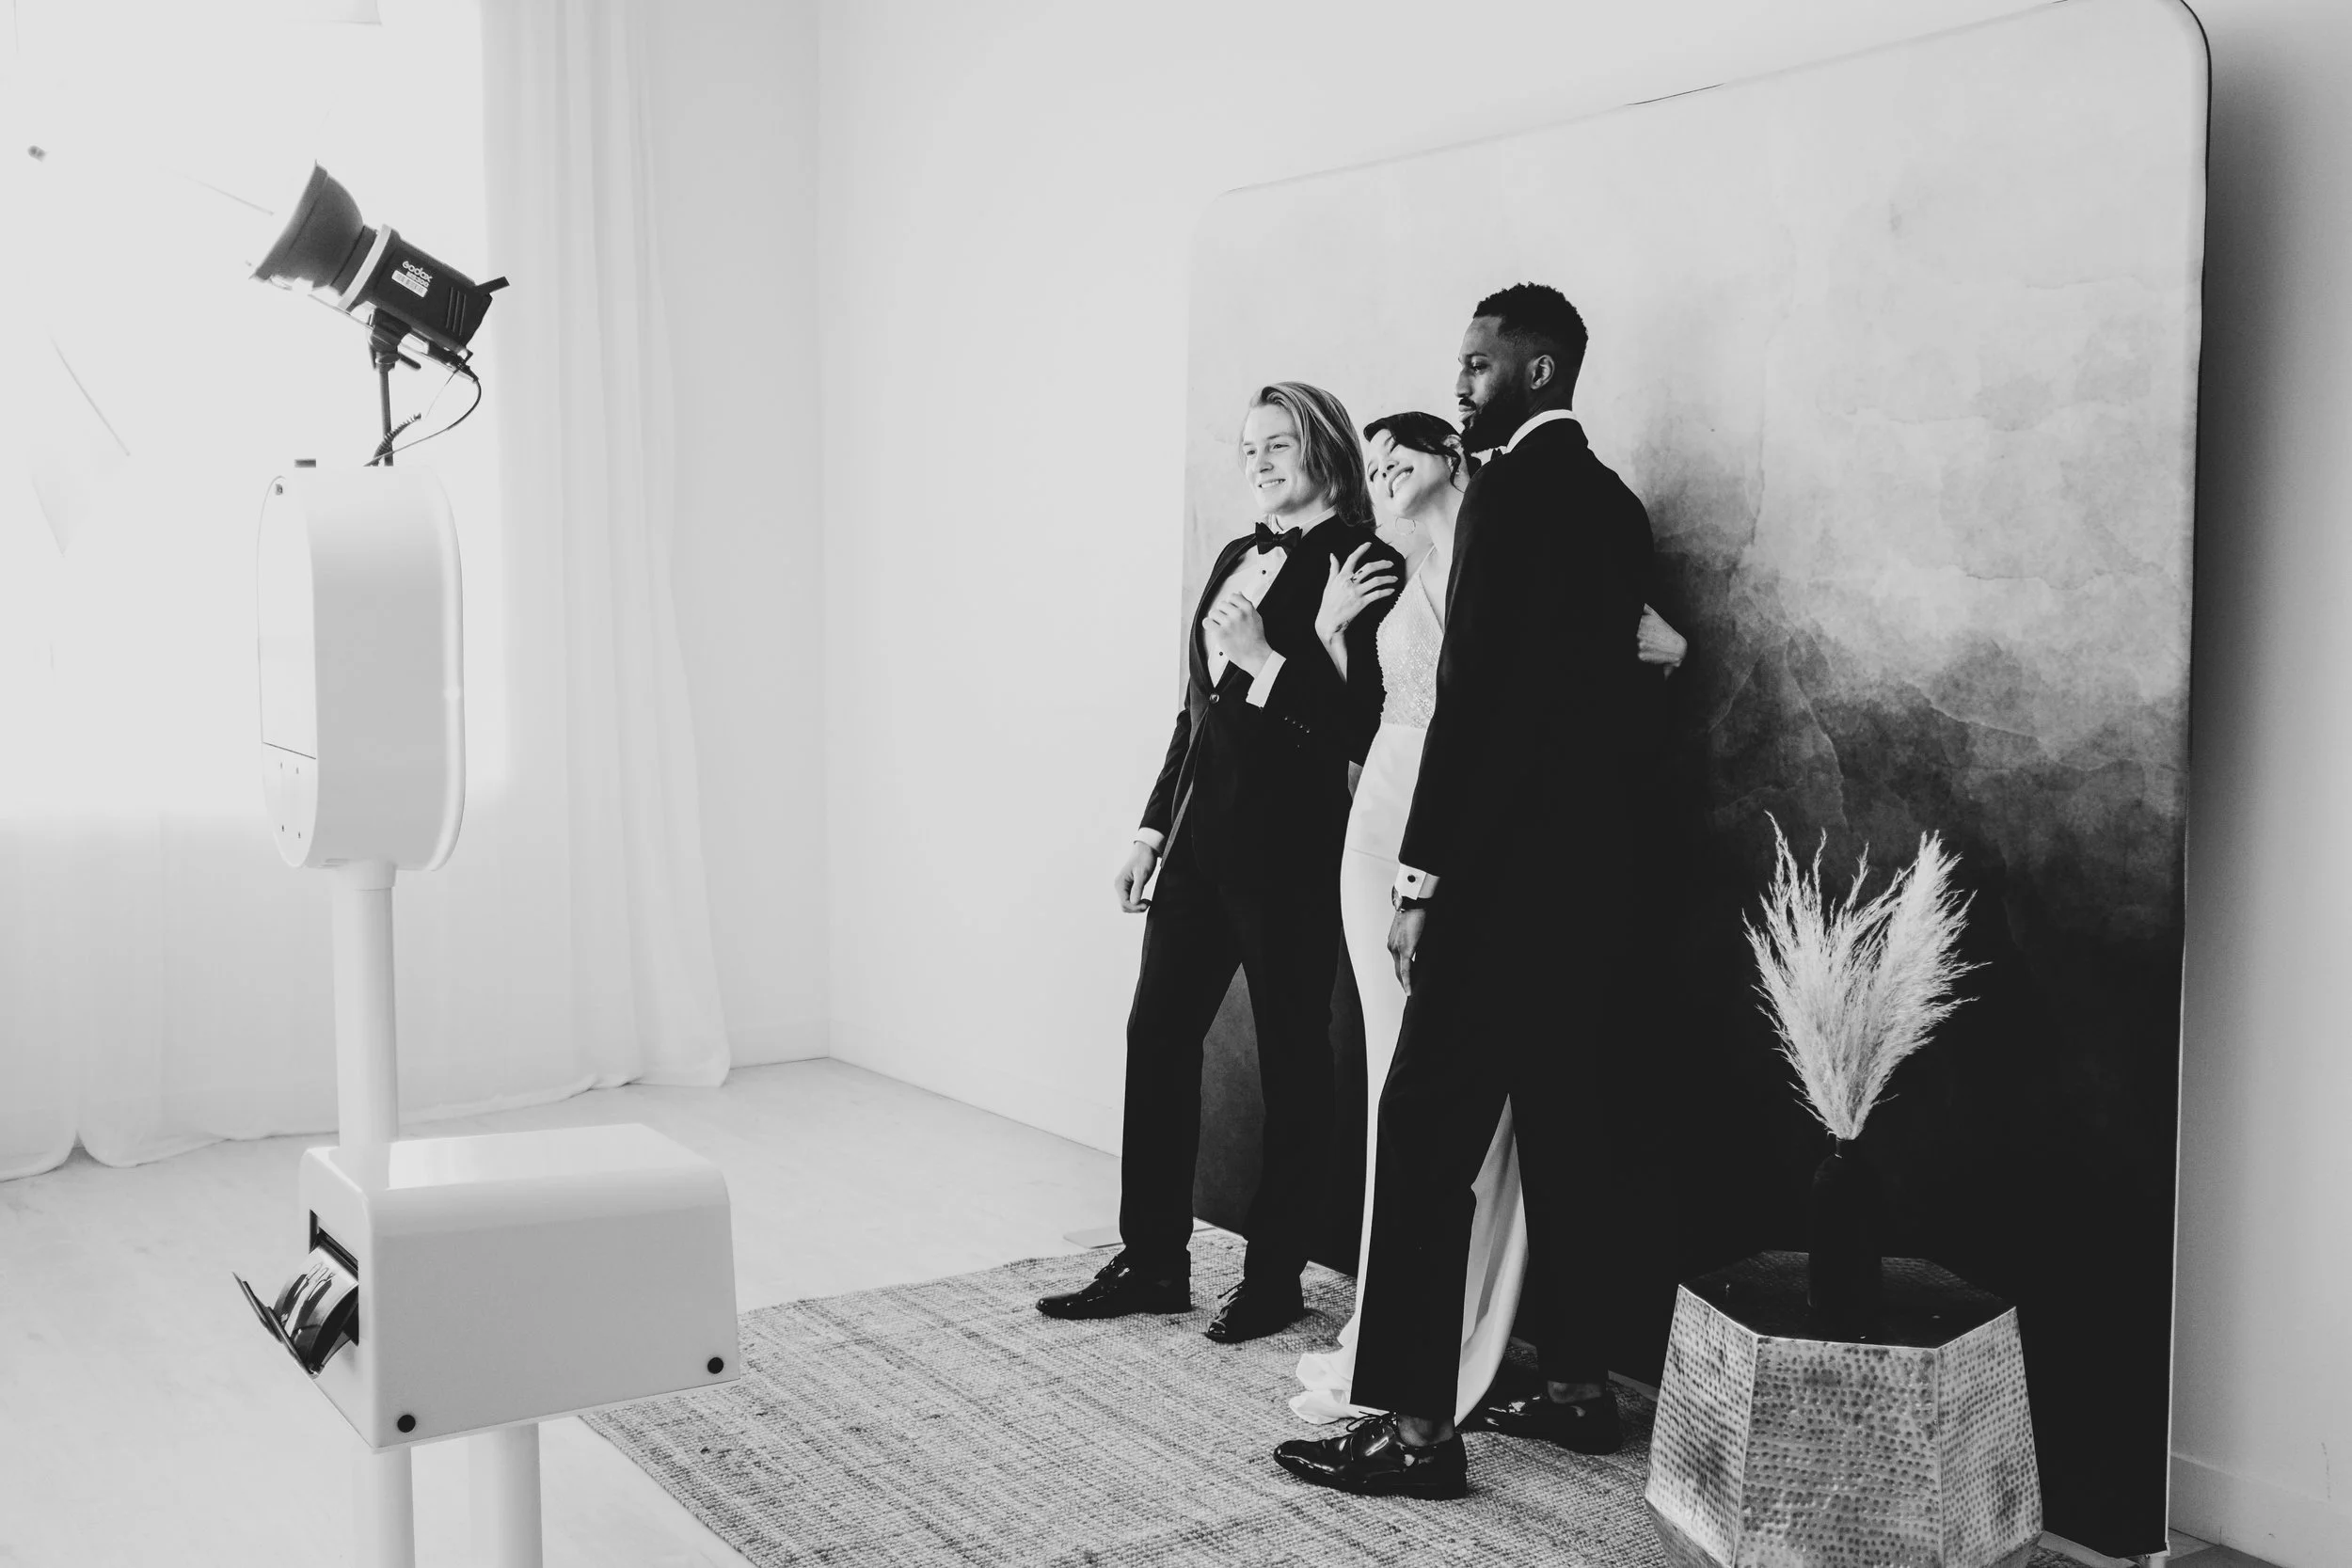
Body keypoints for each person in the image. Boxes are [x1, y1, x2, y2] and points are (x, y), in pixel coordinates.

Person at [1276, 284, 1657, 1497]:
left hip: (1493, 882)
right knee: (1565, 1123)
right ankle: (1584, 1382)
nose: (1463, 380)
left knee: (1425, 1128)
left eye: (1481, 364)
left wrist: (1421, 875)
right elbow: (1594, 700)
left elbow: (1480, 703)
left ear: (1541, 372)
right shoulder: (1615, 507)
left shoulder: (1508, 498)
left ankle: (1413, 1427)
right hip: (1587, 882)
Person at [1039, 382, 1407, 1344]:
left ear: (1323, 447)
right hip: (1199, 846)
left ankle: (1275, 1274)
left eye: (1279, 442)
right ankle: (1154, 1255)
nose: (1259, 460)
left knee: (1294, 1060)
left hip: (1293, 849)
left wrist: (1270, 658)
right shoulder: (1233, 555)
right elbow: (1195, 710)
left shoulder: (1366, 564)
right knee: (1155, 1033)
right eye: (1248, 447)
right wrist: (1151, 828)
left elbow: (1365, 727)